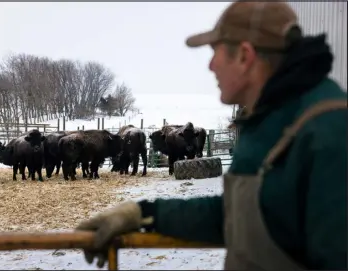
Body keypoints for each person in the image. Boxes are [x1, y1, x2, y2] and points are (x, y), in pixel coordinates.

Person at [75, 1, 347, 270]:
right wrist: (143, 214)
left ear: (244, 55)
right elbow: (237, 215)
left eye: (216, 52)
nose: (210, 66)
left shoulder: (329, 130)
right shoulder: (267, 119)